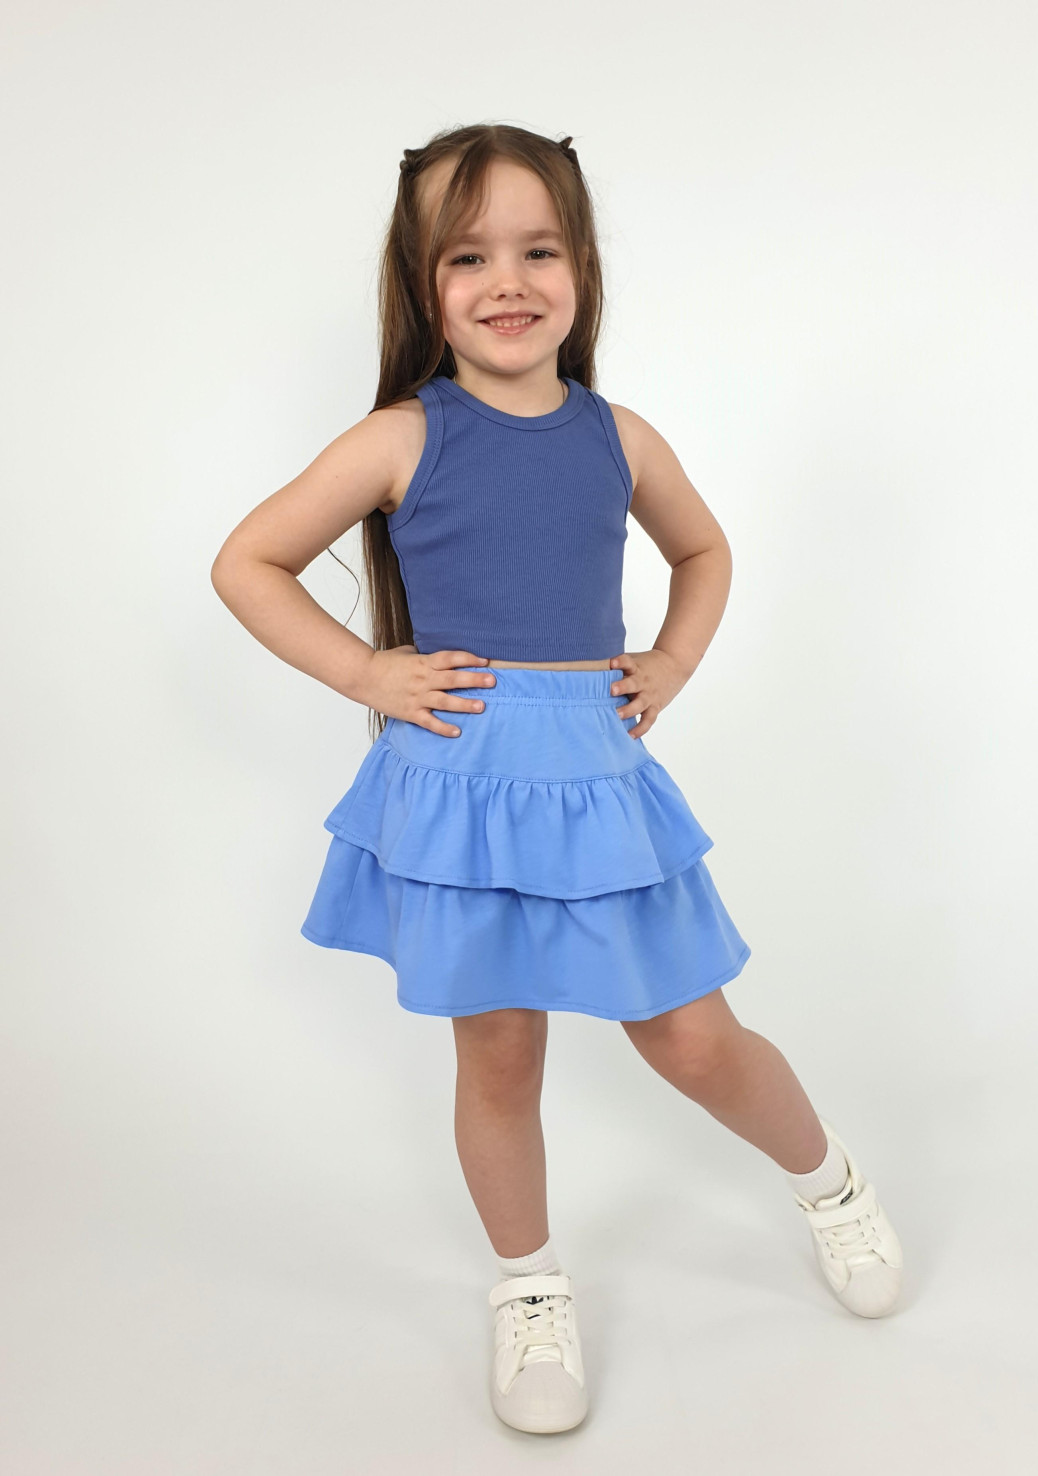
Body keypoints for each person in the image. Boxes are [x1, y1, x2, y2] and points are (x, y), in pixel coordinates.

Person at [210, 122, 904, 1437]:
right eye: (467, 257)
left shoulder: (615, 436)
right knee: (498, 1051)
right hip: (462, 787)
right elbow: (248, 561)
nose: (507, 281)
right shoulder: (401, 436)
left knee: (691, 1037)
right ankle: (528, 1287)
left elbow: (703, 552)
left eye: (538, 250)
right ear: (421, 284)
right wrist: (368, 674)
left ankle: (831, 1183)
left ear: (582, 266)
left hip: (590, 778)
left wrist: (671, 663)